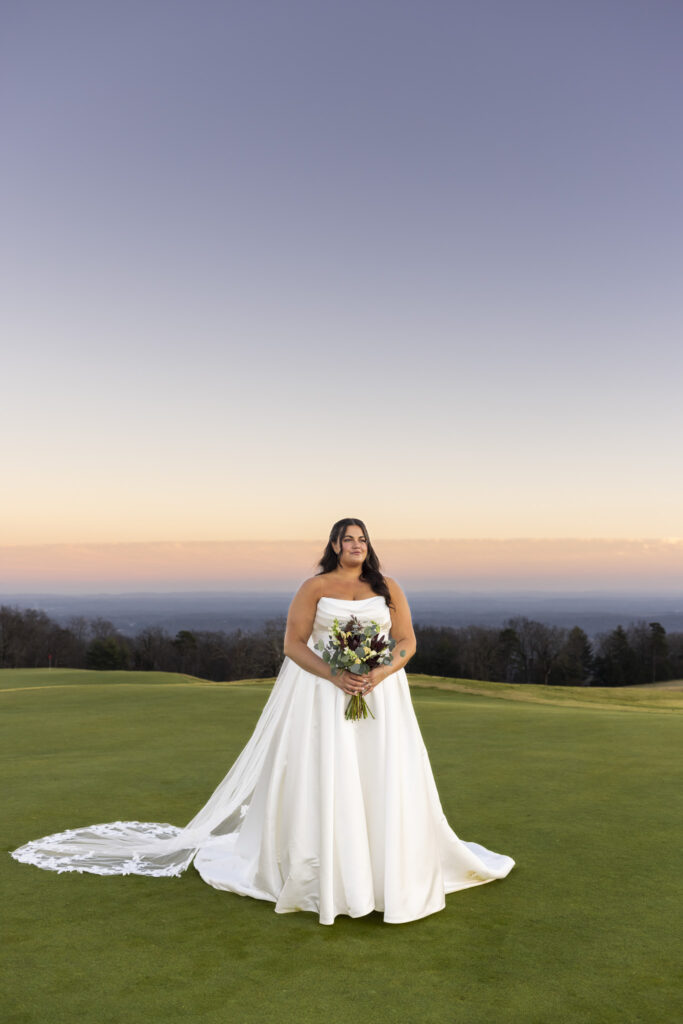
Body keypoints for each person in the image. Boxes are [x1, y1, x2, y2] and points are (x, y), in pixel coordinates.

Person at [10, 517, 515, 924]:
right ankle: (329, 874)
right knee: (328, 773)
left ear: (370, 546)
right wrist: (336, 674)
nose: (355, 545)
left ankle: (386, 872)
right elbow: (293, 644)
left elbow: (407, 640)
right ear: (335, 545)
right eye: (347, 538)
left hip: (382, 696)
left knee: (382, 774)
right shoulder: (314, 586)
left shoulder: (389, 586)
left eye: (362, 539)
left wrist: (379, 673)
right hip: (322, 693)